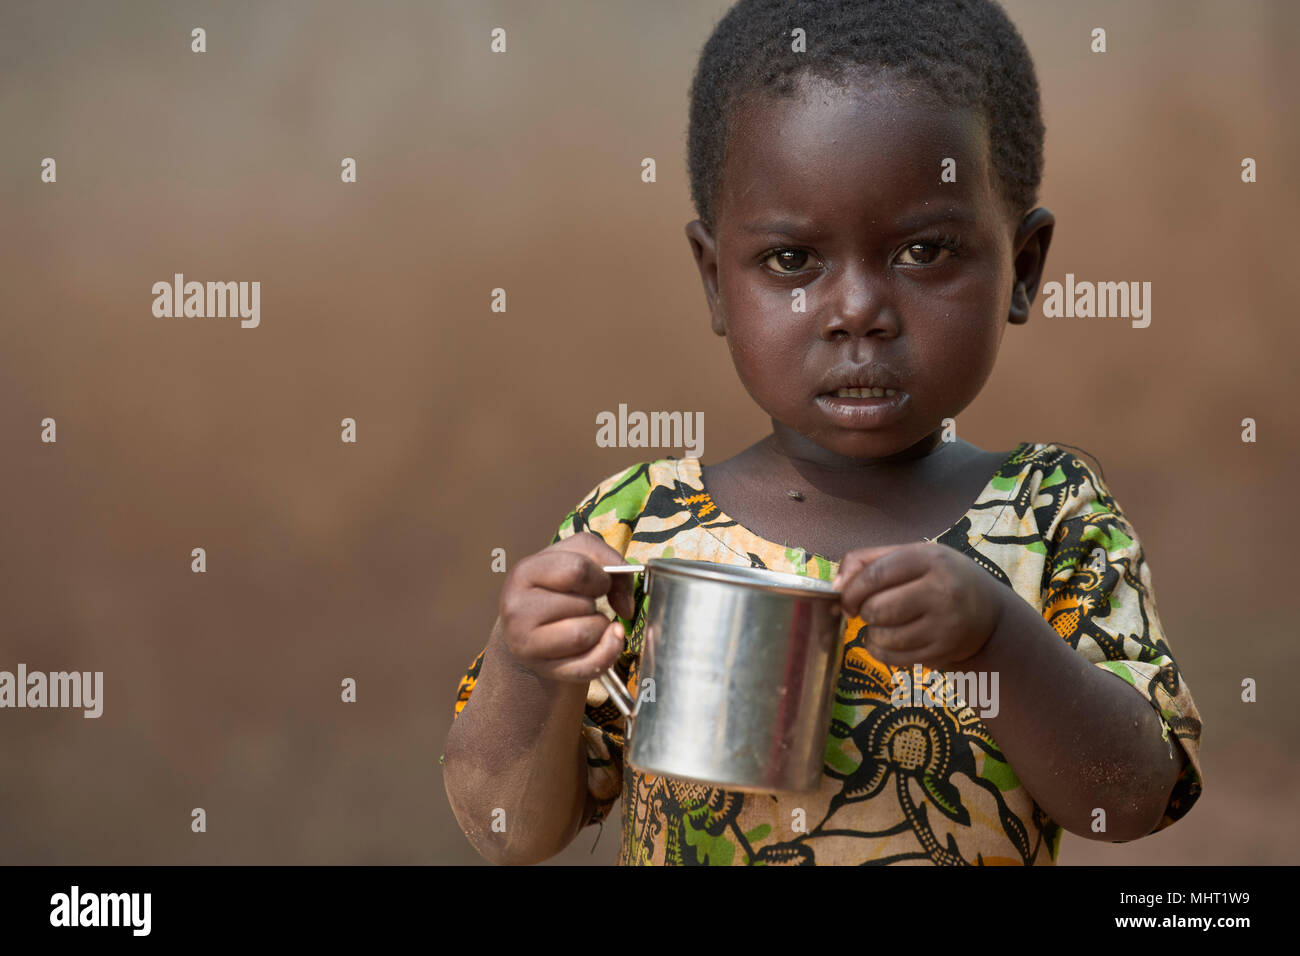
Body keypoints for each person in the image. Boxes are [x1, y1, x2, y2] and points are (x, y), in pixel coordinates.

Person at [440, 0, 1204, 866]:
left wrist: (995, 637)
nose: (856, 312)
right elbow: (506, 832)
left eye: (923, 252)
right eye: (792, 261)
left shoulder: (1047, 513)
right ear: (715, 280)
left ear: (1022, 270)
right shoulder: (636, 528)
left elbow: (1133, 799)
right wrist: (530, 665)